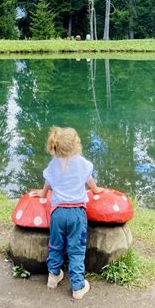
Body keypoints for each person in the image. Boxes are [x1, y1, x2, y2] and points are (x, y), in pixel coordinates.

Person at [31, 126, 104, 299]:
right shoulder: (82, 164)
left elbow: (48, 184)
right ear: (76, 145)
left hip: (57, 213)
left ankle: (53, 276)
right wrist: (96, 191)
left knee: (55, 245)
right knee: (76, 250)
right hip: (77, 214)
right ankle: (78, 286)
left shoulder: (53, 165)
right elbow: (90, 182)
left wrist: (41, 195)